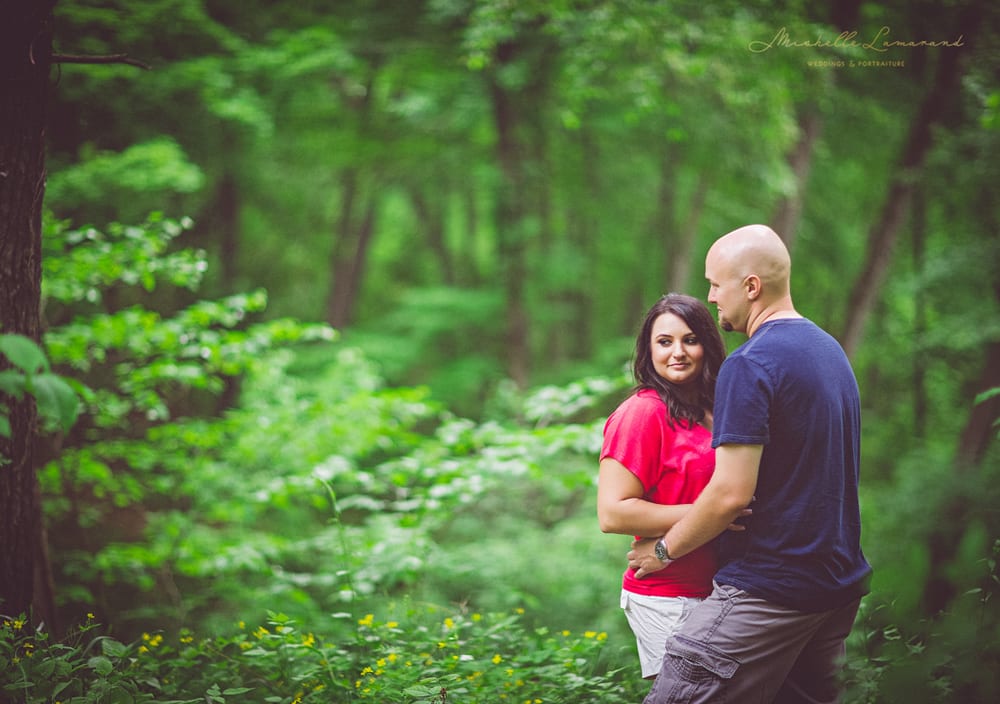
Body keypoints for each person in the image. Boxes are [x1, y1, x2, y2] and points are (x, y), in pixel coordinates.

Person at [628, 224, 872, 703]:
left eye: (716, 284)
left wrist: (662, 553)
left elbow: (729, 493)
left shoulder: (751, 363)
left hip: (770, 591)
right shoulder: (829, 350)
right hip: (835, 588)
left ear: (751, 287)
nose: (711, 296)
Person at [597, 293, 729, 679]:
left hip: (725, 590)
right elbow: (612, 512)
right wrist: (716, 512)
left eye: (690, 339)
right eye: (665, 341)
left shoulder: (718, 408)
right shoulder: (643, 412)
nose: (678, 352)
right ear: (648, 349)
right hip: (669, 595)